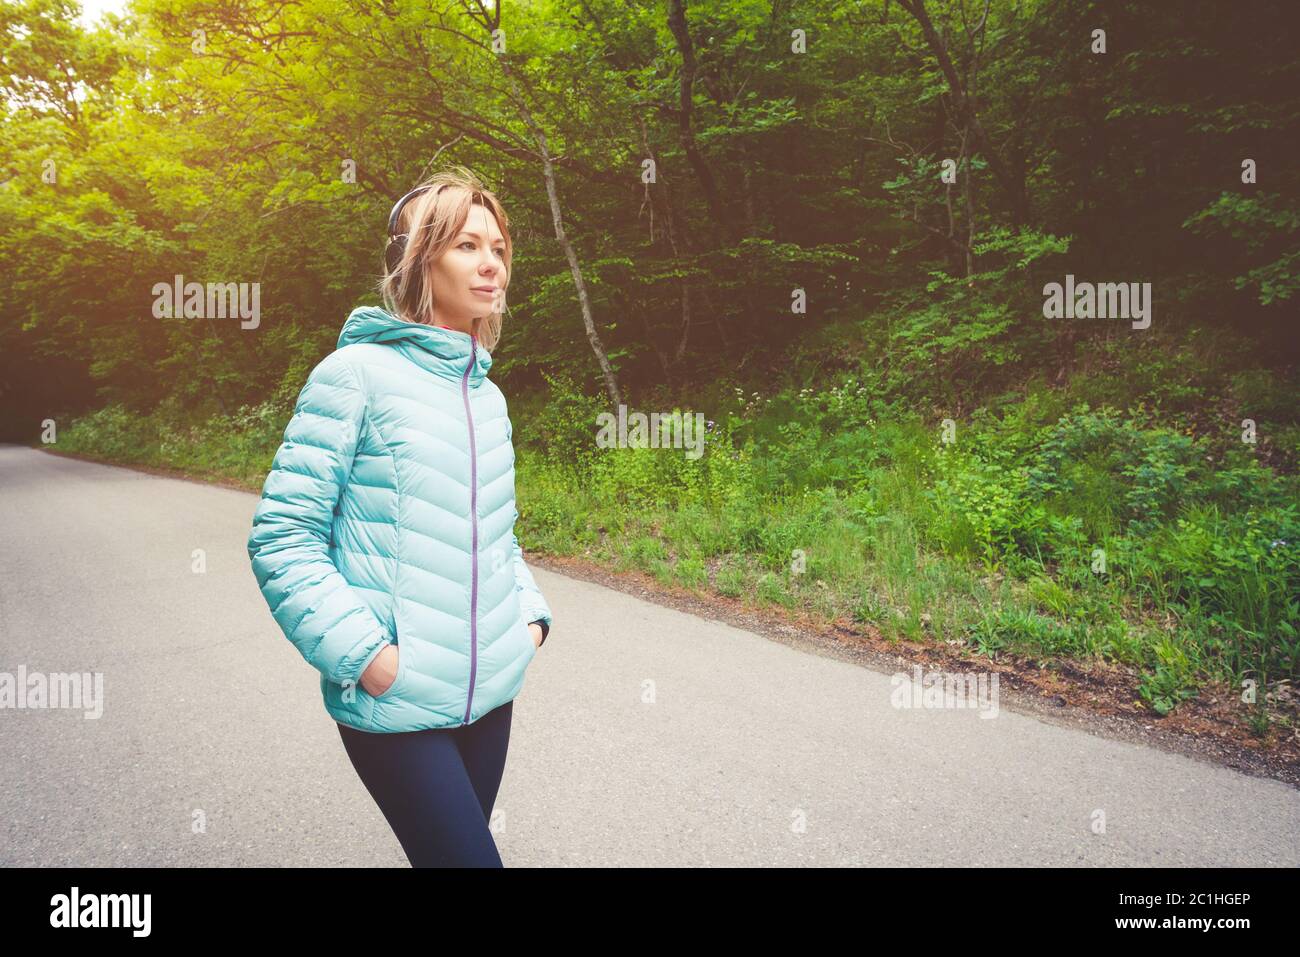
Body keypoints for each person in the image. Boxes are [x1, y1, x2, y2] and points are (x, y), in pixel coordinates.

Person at [246, 165, 553, 867]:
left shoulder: (486, 395)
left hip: (491, 697)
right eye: (467, 246)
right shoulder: (355, 375)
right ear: (421, 260)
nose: (490, 265)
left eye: (499, 248)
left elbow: (493, 535)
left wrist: (527, 620)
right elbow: (282, 537)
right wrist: (366, 656)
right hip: (398, 704)